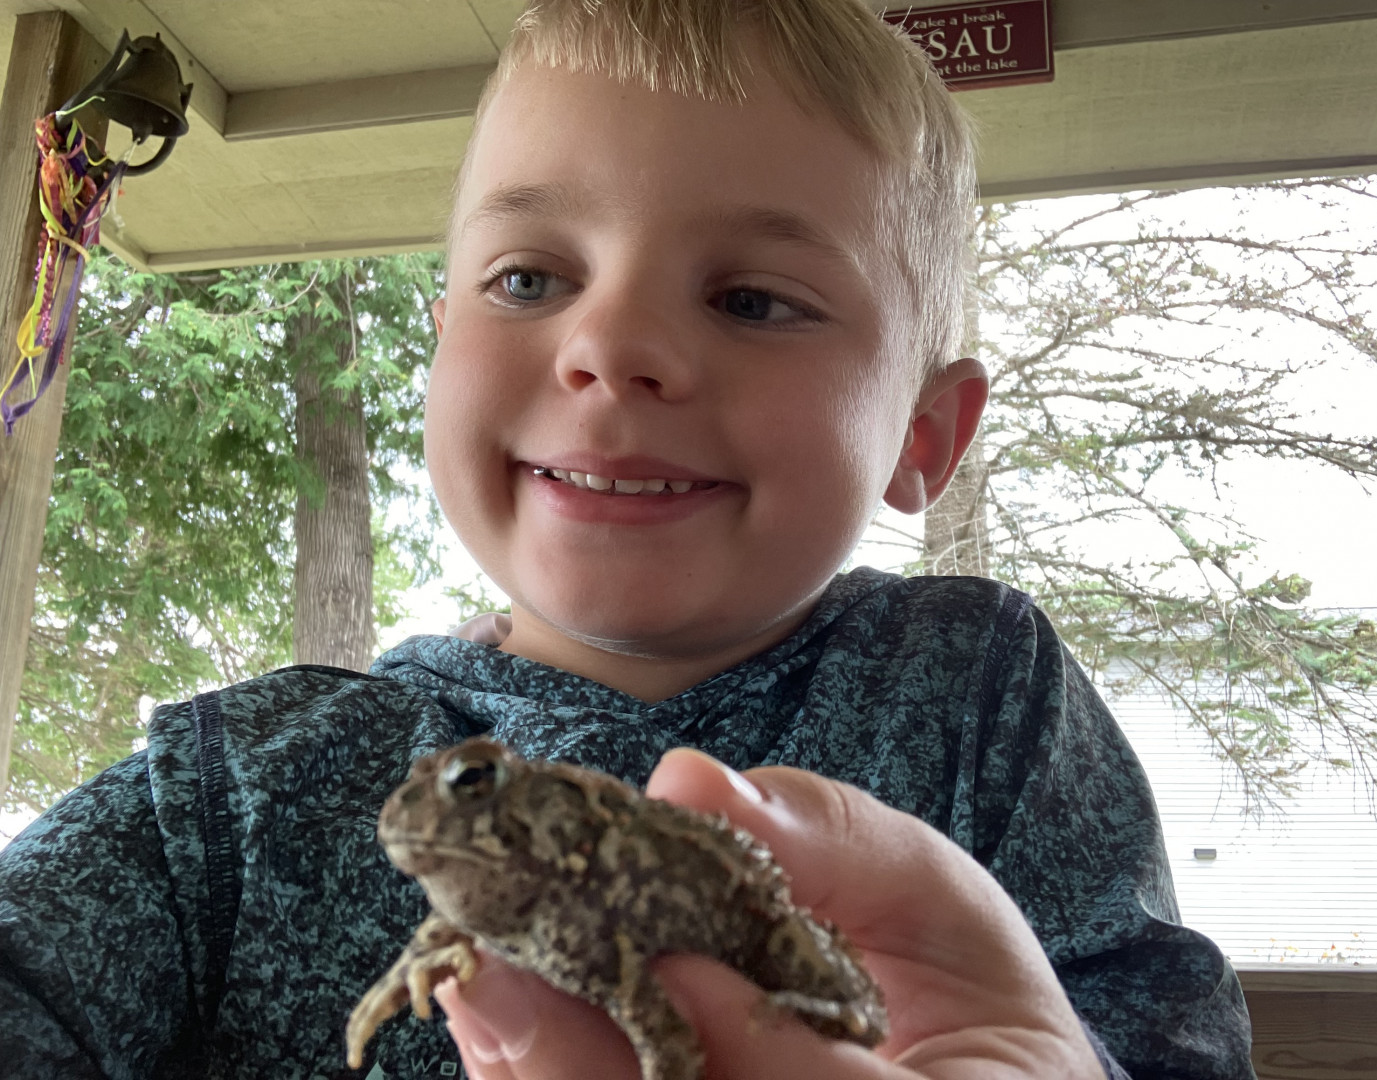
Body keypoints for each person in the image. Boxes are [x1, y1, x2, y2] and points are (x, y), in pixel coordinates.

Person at [0, 1, 1256, 1077]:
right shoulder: (243, 783)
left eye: (752, 298)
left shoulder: (974, 690)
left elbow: (1165, 1032)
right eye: (530, 279)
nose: (612, 347)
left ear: (923, 433)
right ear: (440, 346)